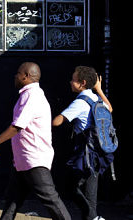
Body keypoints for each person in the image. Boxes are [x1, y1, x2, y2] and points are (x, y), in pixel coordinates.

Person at [0, 62, 71, 220]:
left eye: (18, 73)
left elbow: (18, 126)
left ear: (26, 76)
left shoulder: (32, 96)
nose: (15, 76)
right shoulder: (28, 94)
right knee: (13, 199)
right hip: (22, 160)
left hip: (33, 158)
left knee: (51, 199)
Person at [52, 66, 113, 220]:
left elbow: (57, 122)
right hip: (99, 152)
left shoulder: (80, 102)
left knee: (70, 187)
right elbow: (110, 108)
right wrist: (98, 89)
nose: (70, 82)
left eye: (73, 80)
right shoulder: (96, 99)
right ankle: (93, 217)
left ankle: (94, 218)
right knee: (90, 193)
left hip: (85, 153)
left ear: (82, 83)